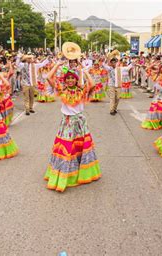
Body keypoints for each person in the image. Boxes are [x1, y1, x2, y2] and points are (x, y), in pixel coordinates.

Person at [44, 59, 101, 192]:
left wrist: (84, 70)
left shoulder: (82, 91)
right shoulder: (61, 90)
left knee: (80, 148)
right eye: (68, 78)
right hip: (67, 123)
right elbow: (48, 77)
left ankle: (81, 173)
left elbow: (92, 84)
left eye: (72, 78)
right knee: (67, 147)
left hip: (80, 123)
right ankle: (65, 175)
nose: (70, 80)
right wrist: (57, 64)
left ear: (76, 80)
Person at [141, 64, 162, 130]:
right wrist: (153, 64)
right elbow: (147, 69)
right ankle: (155, 122)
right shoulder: (156, 74)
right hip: (158, 94)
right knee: (156, 108)